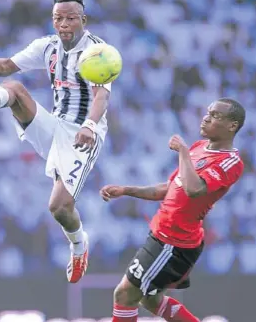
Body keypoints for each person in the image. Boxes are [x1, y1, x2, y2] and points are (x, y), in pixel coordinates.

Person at [0, 0, 113, 284]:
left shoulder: (97, 52)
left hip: (82, 135)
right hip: (54, 125)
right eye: (58, 18)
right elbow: (5, 67)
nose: (63, 24)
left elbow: (101, 95)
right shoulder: (47, 47)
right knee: (13, 87)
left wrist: (90, 125)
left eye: (70, 18)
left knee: (59, 207)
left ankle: (79, 244)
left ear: (83, 20)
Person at [100, 98, 246, 322]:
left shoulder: (230, 162)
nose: (206, 117)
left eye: (216, 115)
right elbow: (170, 187)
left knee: (125, 293)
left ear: (232, 125)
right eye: (208, 112)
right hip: (162, 236)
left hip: (174, 243)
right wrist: (126, 189)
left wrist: (183, 152)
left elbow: (193, 189)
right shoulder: (199, 147)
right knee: (150, 299)